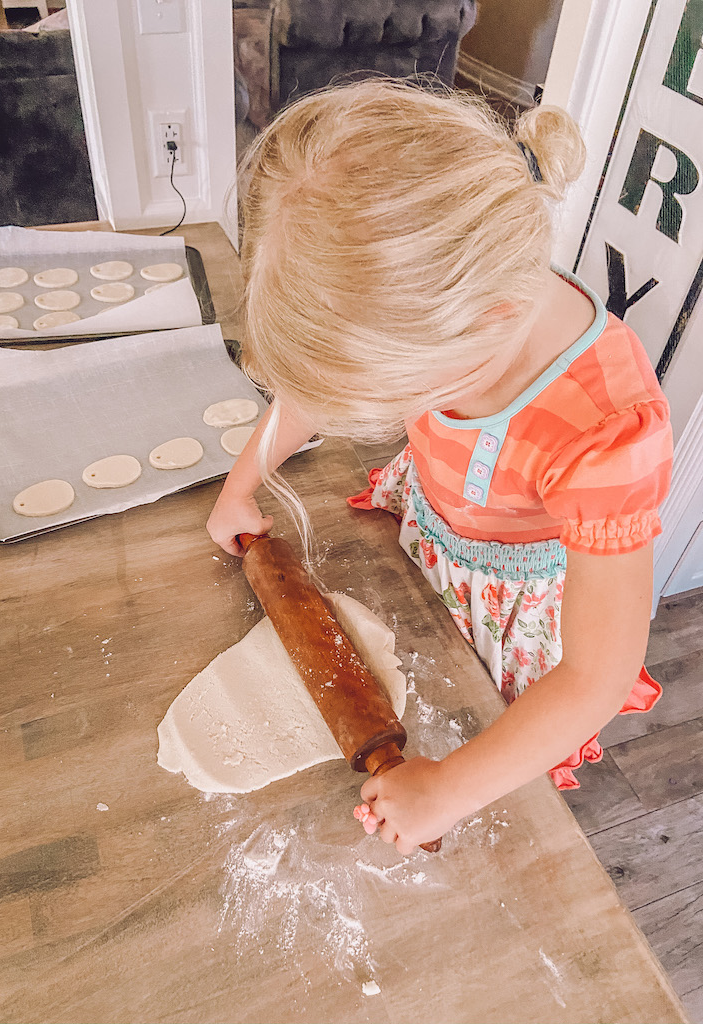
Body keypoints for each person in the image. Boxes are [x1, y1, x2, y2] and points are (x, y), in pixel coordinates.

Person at [206, 79, 673, 855]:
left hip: (520, 615)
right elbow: (316, 388)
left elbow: (598, 676)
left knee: (485, 738)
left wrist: (449, 787)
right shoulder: (441, 310)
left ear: (482, 325)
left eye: (396, 394)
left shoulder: (606, 432)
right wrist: (240, 485)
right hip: (437, 538)